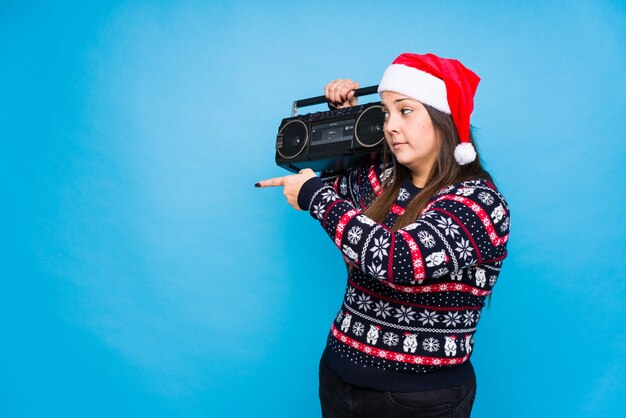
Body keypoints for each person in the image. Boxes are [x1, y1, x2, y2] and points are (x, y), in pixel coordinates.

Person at [256, 52, 510, 418]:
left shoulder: (479, 203)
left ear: (445, 119)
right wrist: (343, 118)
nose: (390, 125)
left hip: (417, 399)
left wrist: (314, 197)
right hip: (338, 377)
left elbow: (398, 260)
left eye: (405, 111)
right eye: (385, 113)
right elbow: (328, 185)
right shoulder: (383, 181)